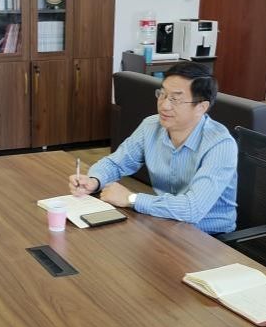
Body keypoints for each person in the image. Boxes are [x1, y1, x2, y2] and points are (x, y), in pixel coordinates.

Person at [68, 62, 237, 233]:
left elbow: (192, 209)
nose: (164, 105)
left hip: (209, 237)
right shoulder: (151, 125)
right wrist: (94, 181)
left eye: (175, 99)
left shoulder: (220, 145)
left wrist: (131, 198)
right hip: (164, 222)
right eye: (162, 94)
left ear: (201, 107)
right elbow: (115, 163)